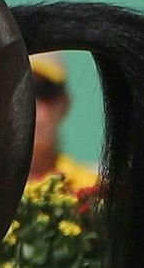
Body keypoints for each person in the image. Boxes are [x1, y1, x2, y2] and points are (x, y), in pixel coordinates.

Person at [27, 52, 100, 191]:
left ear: (65, 104)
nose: (33, 104)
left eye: (45, 90)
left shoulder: (91, 191)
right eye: (21, 91)